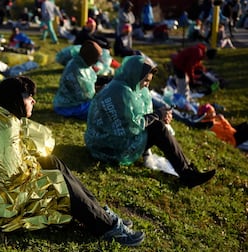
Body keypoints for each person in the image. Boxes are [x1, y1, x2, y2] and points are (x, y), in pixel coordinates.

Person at [0, 76, 145, 247]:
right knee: (57, 181)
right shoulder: (4, 131)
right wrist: (34, 164)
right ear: (18, 100)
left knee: (53, 162)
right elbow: (12, 179)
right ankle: (104, 226)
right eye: (30, 97)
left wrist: (36, 160)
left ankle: (99, 212)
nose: (34, 101)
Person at [84, 55, 216, 188]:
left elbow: (141, 114)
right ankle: (187, 174)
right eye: (145, 80)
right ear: (135, 74)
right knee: (157, 128)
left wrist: (161, 116)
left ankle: (188, 170)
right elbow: (133, 127)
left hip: (112, 140)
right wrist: (157, 116)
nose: (147, 84)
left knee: (157, 125)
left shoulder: (128, 86)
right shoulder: (121, 91)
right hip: (107, 148)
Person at [53, 40, 102, 120]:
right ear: (89, 58)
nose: (96, 62)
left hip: (68, 103)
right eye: (95, 59)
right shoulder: (76, 71)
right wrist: (101, 90)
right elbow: (87, 95)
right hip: (68, 107)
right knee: (103, 108)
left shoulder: (79, 63)